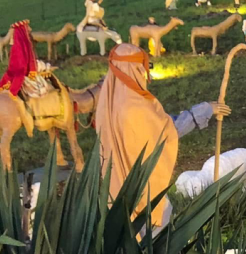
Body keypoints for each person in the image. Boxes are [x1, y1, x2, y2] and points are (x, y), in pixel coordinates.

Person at [94, 43, 229, 231]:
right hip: (143, 193)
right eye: (144, 66)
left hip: (115, 188)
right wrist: (204, 110)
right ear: (133, 68)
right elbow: (167, 131)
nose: (144, 73)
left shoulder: (107, 100)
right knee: (156, 239)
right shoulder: (135, 105)